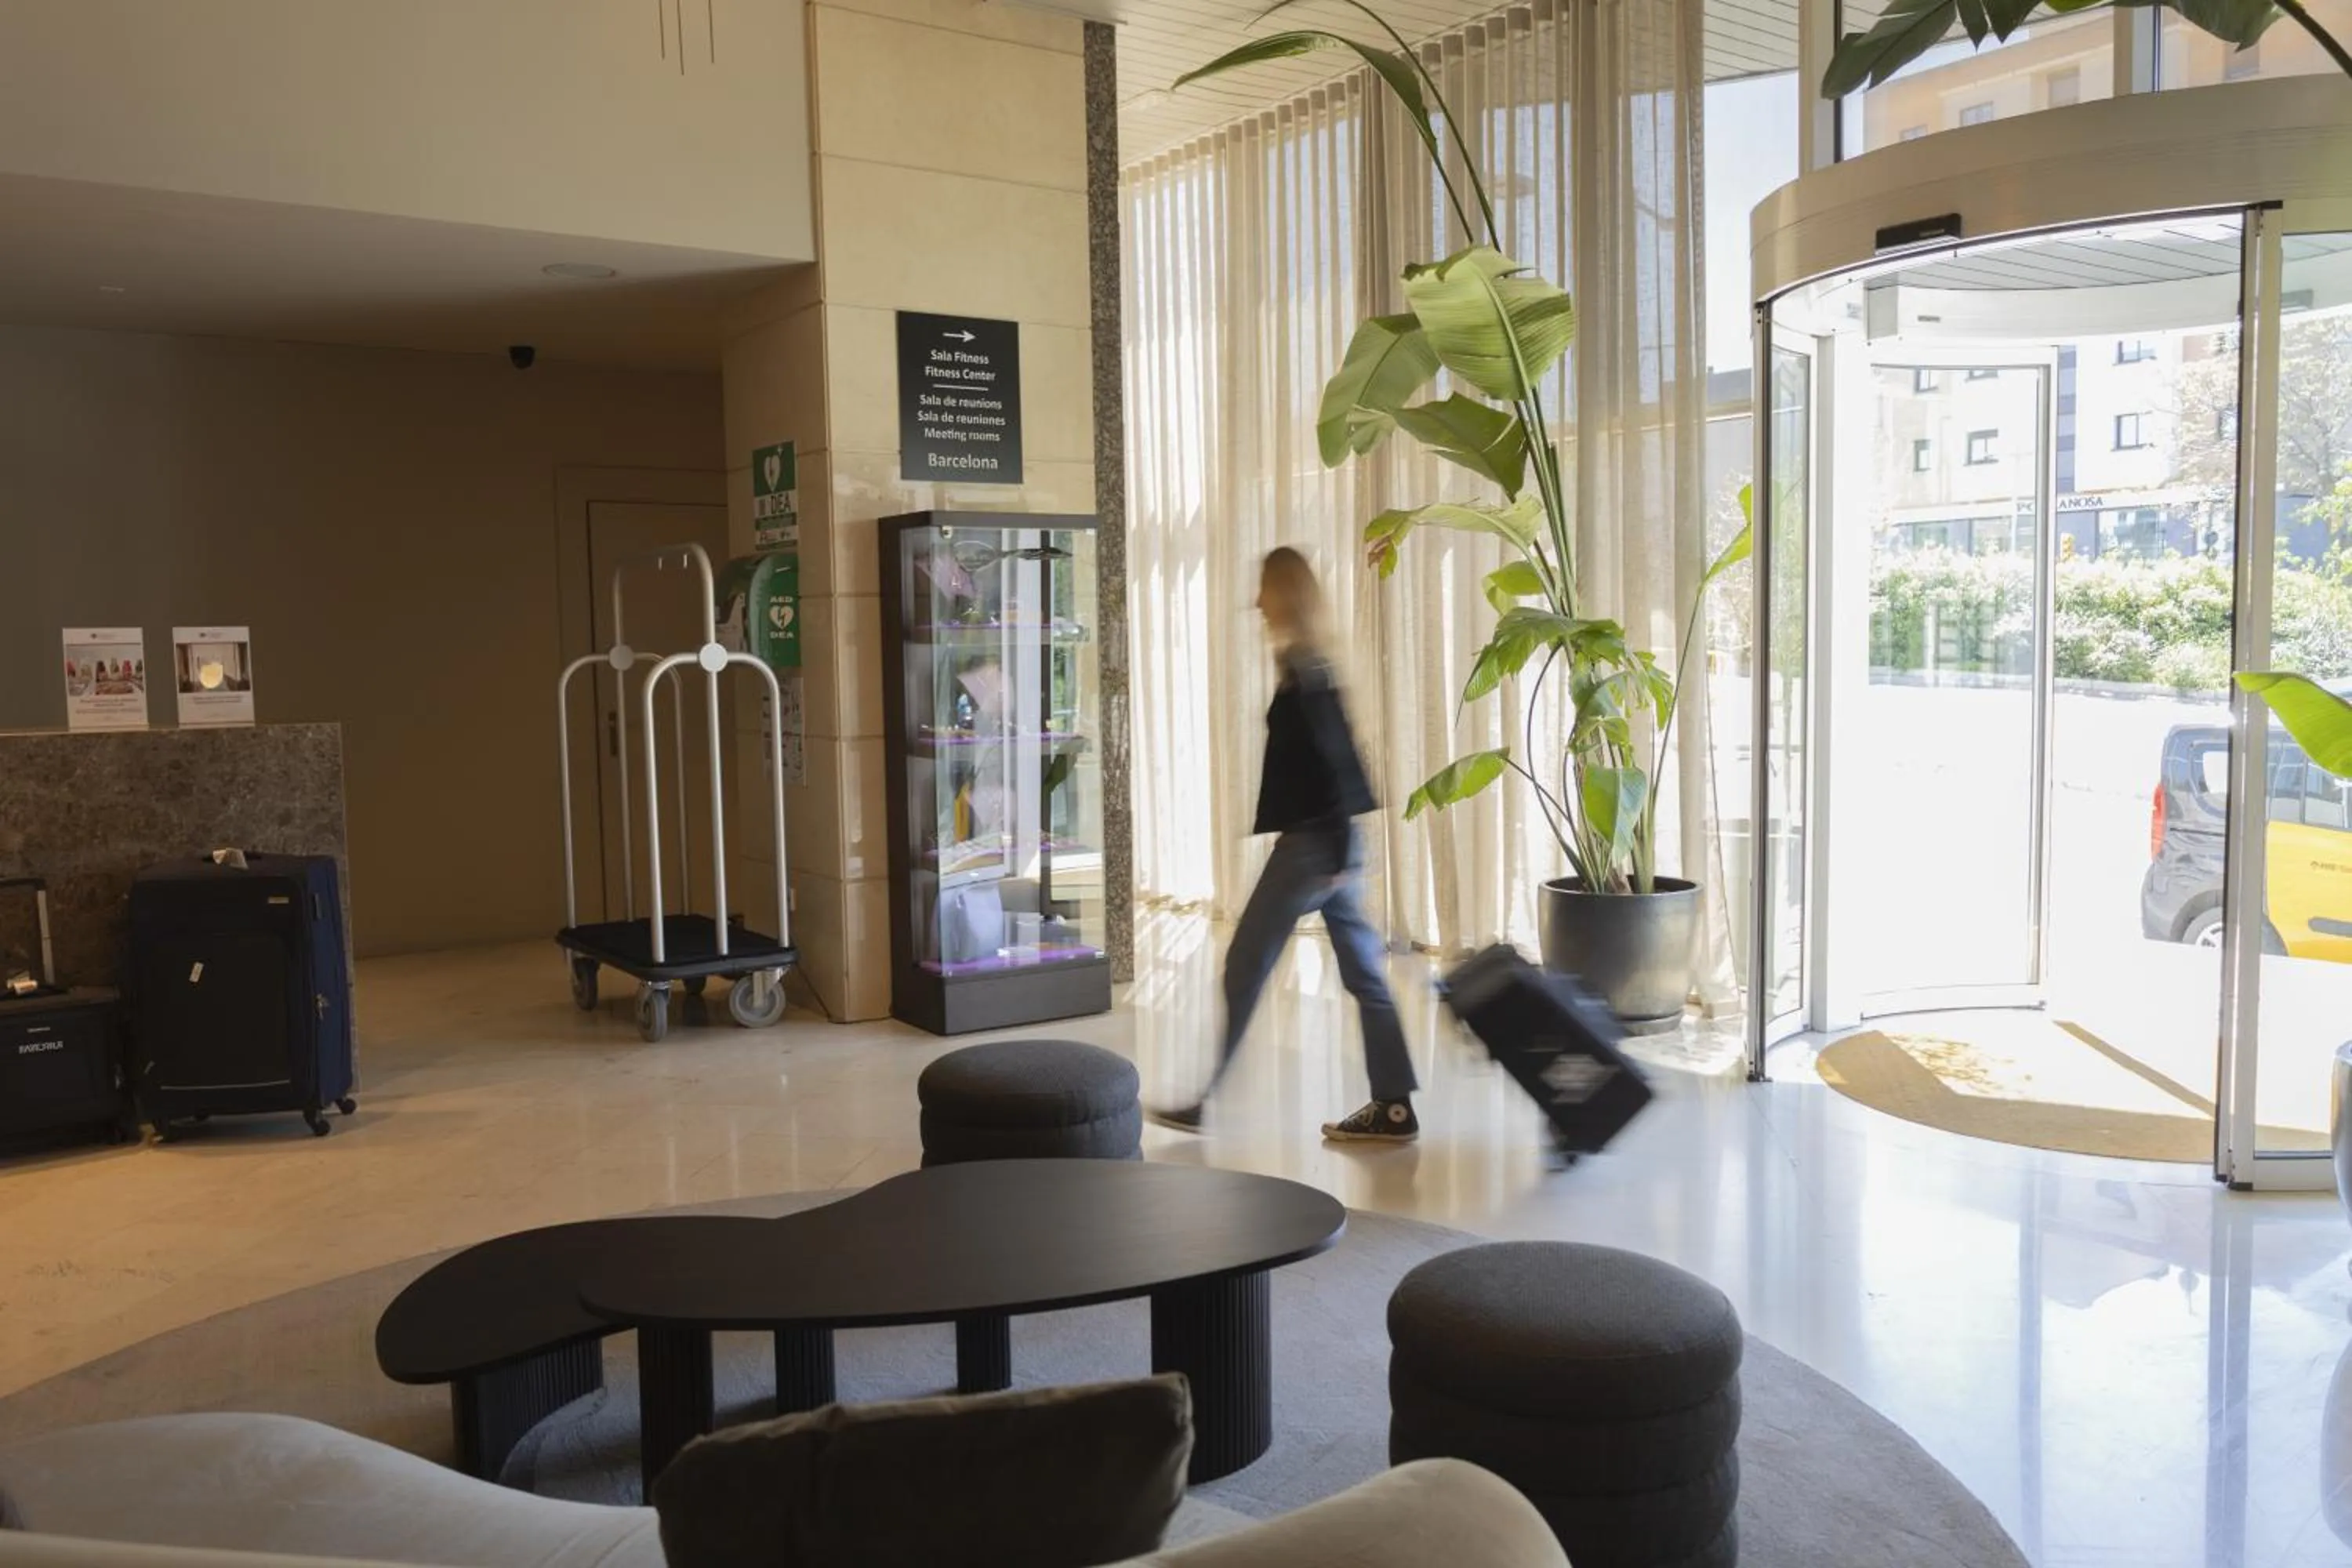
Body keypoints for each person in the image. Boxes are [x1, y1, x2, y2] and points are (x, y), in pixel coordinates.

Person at [1148, 547, 1421, 1144]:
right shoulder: (1310, 663)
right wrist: (1346, 855)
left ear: (1284, 594)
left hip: (1314, 847)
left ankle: (1205, 1101)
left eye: (1264, 589)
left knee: (1245, 963)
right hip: (1333, 845)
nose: (1256, 602)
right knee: (1365, 975)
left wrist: (1333, 856)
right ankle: (1395, 1108)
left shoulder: (1306, 670)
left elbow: (1337, 765)